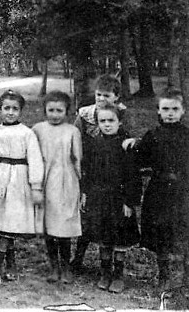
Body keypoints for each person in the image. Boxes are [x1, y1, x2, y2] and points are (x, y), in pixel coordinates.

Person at [71, 74, 135, 272]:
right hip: (88, 167)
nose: (100, 100)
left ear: (116, 97)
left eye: (106, 96)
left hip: (113, 170)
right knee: (87, 217)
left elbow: (129, 143)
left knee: (106, 221)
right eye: (98, 95)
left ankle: (112, 269)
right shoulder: (85, 115)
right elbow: (73, 137)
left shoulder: (121, 116)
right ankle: (78, 259)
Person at [81, 102, 140, 293]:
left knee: (120, 238)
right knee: (103, 236)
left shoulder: (126, 145)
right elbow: (88, 171)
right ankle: (105, 273)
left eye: (111, 120)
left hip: (119, 200)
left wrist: (129, 202)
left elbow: (133, 176)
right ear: (97, 123)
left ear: (119, 121)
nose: (107, 125)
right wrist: (85, 193)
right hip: (99, 198)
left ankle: (118, 275)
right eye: (102, 121)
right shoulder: (94, 144)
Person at [0, 90, 45, 281]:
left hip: (18, 179)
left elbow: (35, 160)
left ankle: (0, 258)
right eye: (6, 108)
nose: (10, 113)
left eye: (15, 109)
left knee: (12, 220)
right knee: (3, 220)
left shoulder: (27, 133)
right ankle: (9, 260)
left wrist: (36, 186)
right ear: (0, 109)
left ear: (20, 111)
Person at [137, 89, 189, 289]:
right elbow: (141, 158)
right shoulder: (153, 135)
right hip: (159, 191)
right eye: (165, 109)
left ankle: (186, 276)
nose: (170, 113)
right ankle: (164, 275)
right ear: (158, 111)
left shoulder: (187, 135)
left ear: (183, 111)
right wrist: (133, 144)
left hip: (183, 191)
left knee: (184, 231)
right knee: (161, 232)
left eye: (175, 109)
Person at [32, 90, 82, 284]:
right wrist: (35, 184)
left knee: (64, 226)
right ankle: (54, 266)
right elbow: (33, 157)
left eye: (59, 111)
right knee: (49, 227)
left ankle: (66, 266)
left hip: (66, 181)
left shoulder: (72, 131)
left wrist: (80, 185)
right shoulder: (37, 129)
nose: (54, 114)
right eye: (51, 110)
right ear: (44, 110)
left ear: (67, 112)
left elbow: (77, 159)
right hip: (45, 181)